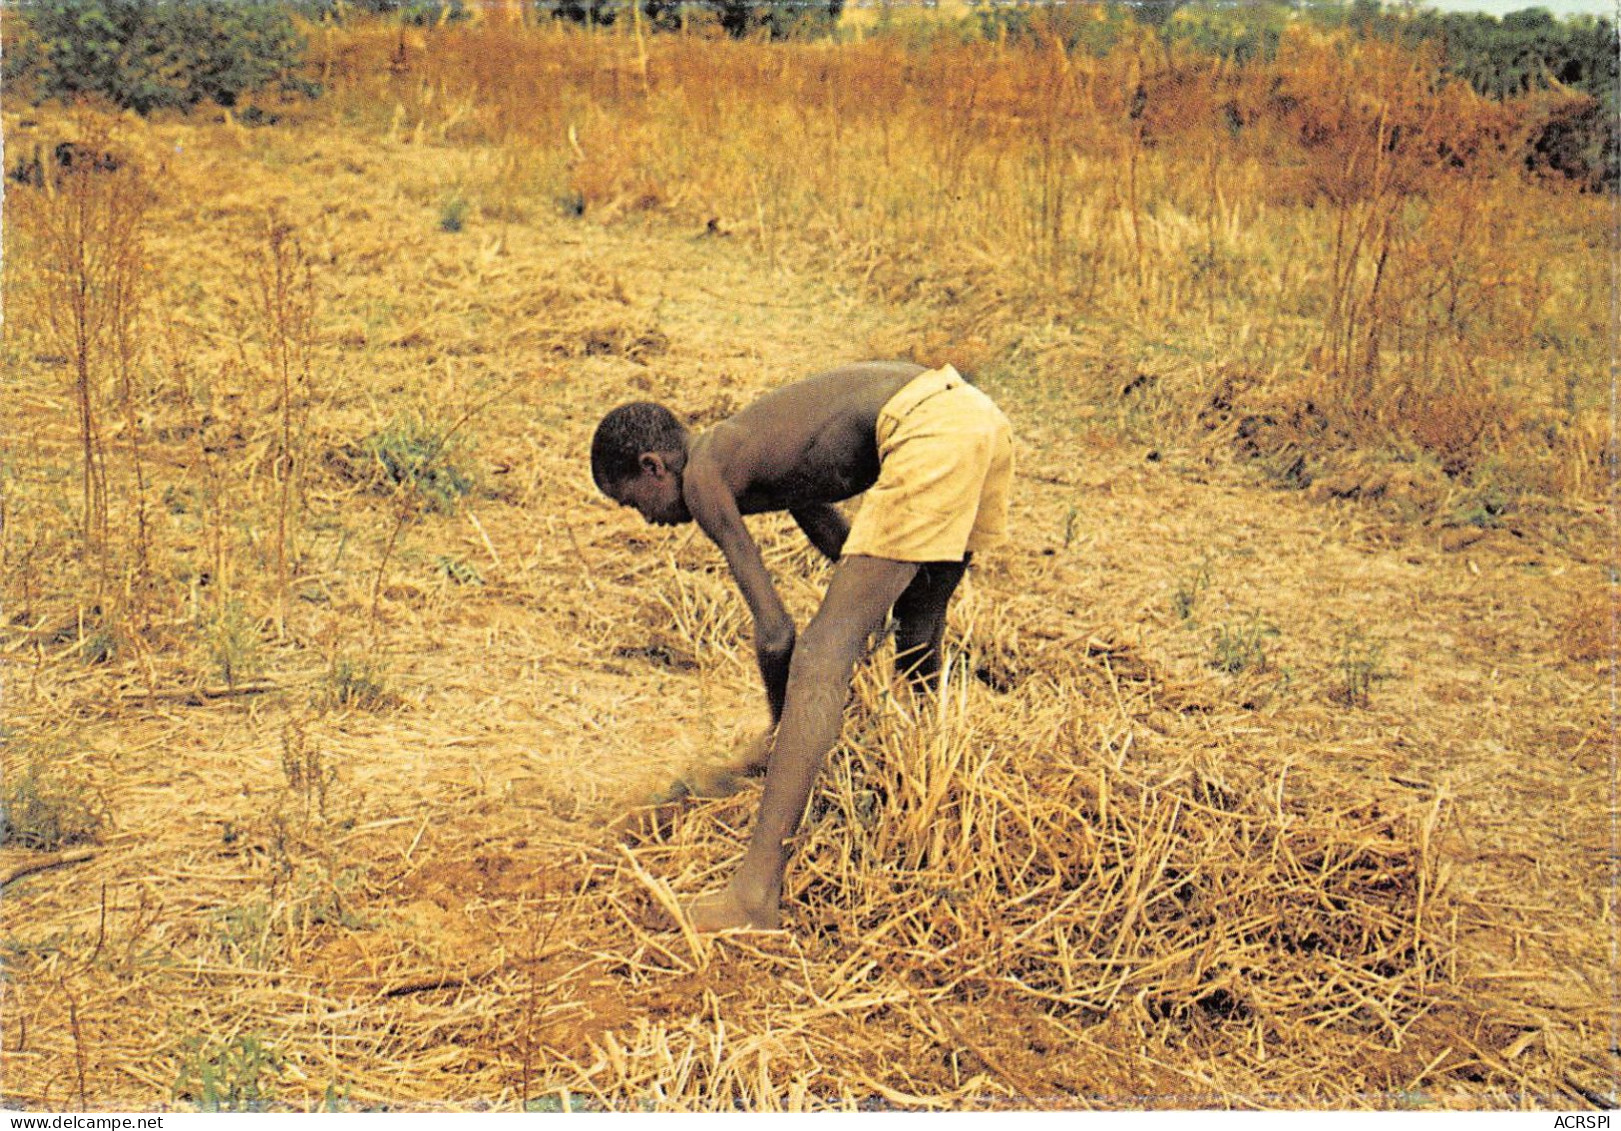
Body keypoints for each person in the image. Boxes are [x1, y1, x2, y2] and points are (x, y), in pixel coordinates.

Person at [590, 360, 1013, 931]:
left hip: (931, 428)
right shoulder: (762, 449)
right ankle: (919, 807)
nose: (643, 519)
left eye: (632, 500)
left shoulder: (704, 474)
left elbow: (775, 632)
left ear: (654, 467)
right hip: (976, 418)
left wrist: (780, 732)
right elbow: (848, 549)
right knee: (917, 628)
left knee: (821, 654)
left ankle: (754, 894)